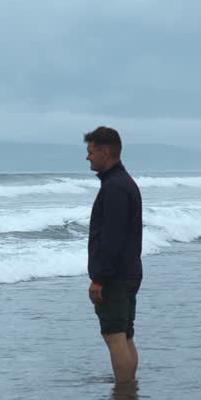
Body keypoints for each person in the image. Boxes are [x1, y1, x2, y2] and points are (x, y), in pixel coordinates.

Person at [85, 126, 144, 384]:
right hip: (128, 270)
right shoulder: (121, 183)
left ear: (105, 152)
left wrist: (99, 278)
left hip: (116, 275)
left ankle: (124, 394)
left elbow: (112, 238)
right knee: (125, 335)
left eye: (91, 152)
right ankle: (128, 391)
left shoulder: (115, 188)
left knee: (114, 335)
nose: (88, 157)